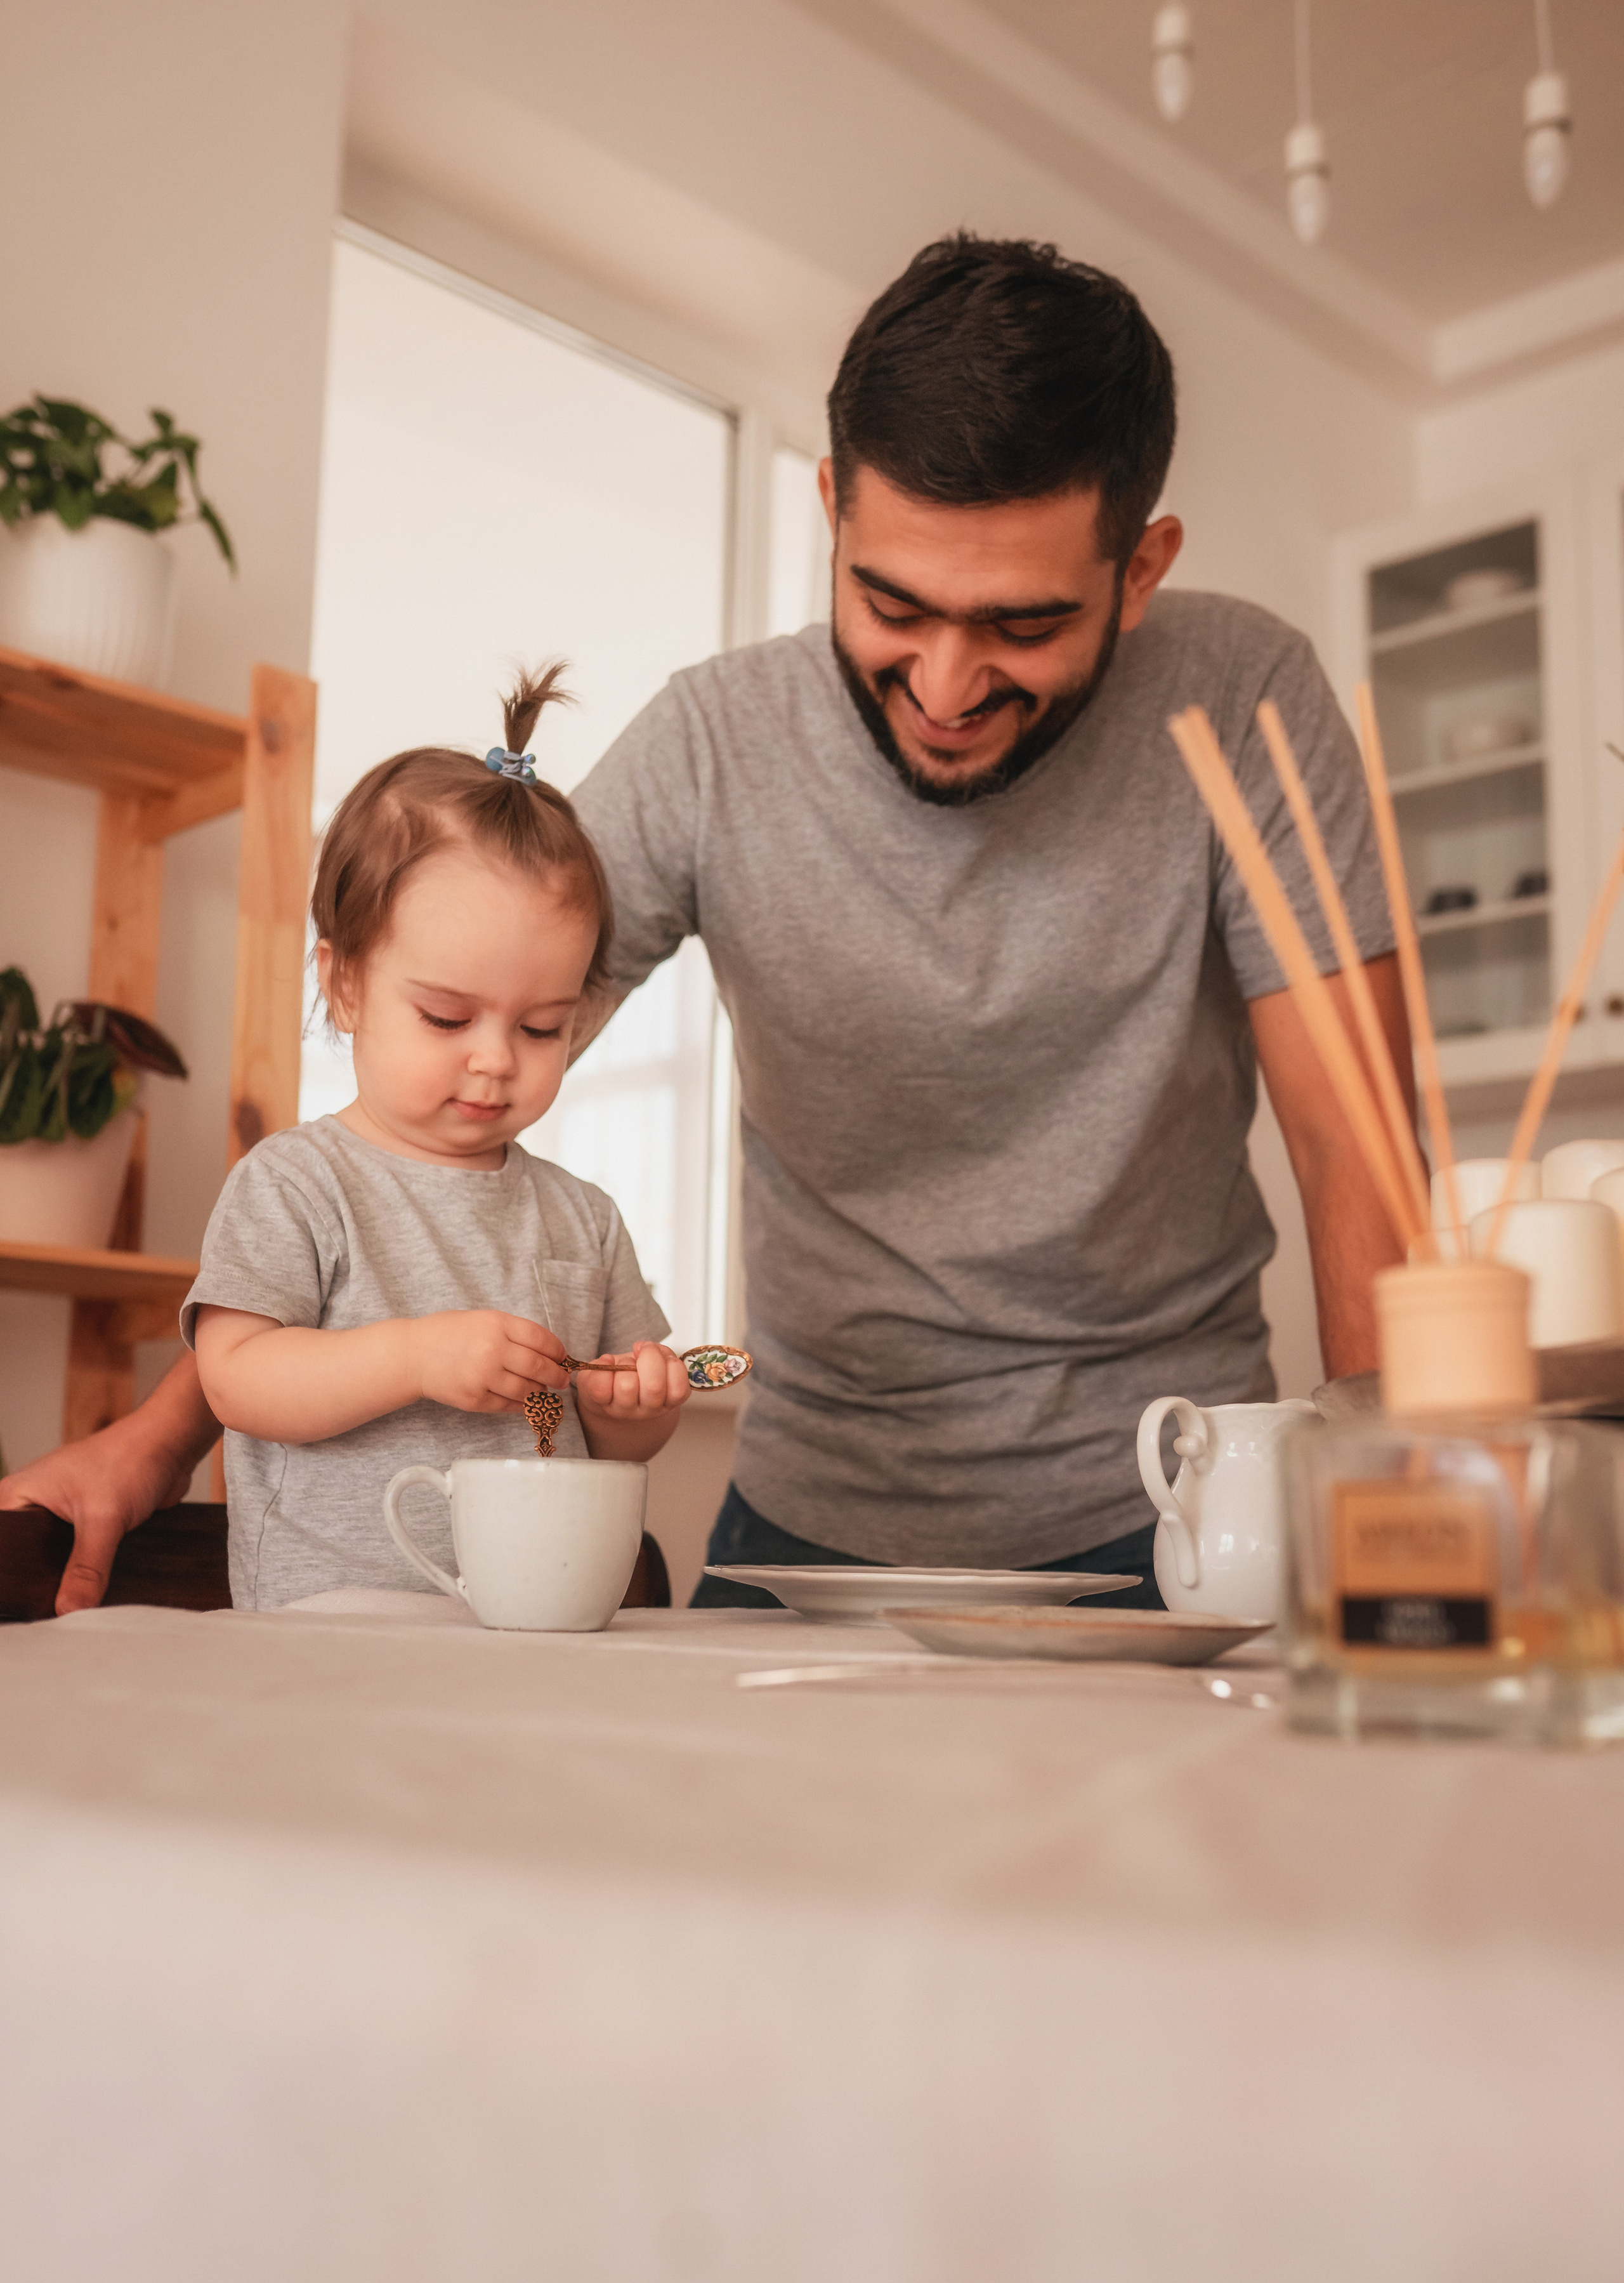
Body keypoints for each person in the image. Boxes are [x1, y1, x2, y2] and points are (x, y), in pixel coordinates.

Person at [1, 235, 1411, 1615]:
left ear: (1141, 567)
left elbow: (1358, 1150)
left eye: (1019, 626)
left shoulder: (1245, 704)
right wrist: (159, 1437)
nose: (943, 682)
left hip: (1166, 1513)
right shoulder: (716, 740)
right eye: (889, 603)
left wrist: (1403, 1510)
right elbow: (424, 1122)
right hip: (812, 1524)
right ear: (831, 511)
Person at [183, 670, 688, 1607]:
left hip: (537, 1618)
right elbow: (238, 1380)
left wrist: (634, 1410)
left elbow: (608, 1438)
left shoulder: (586, 1219)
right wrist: (413, 1358)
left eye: (543, 1028)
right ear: (344, 986)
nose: (497, 1061)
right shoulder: (297, 1183)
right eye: (448, 1019)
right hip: (335, 1626)